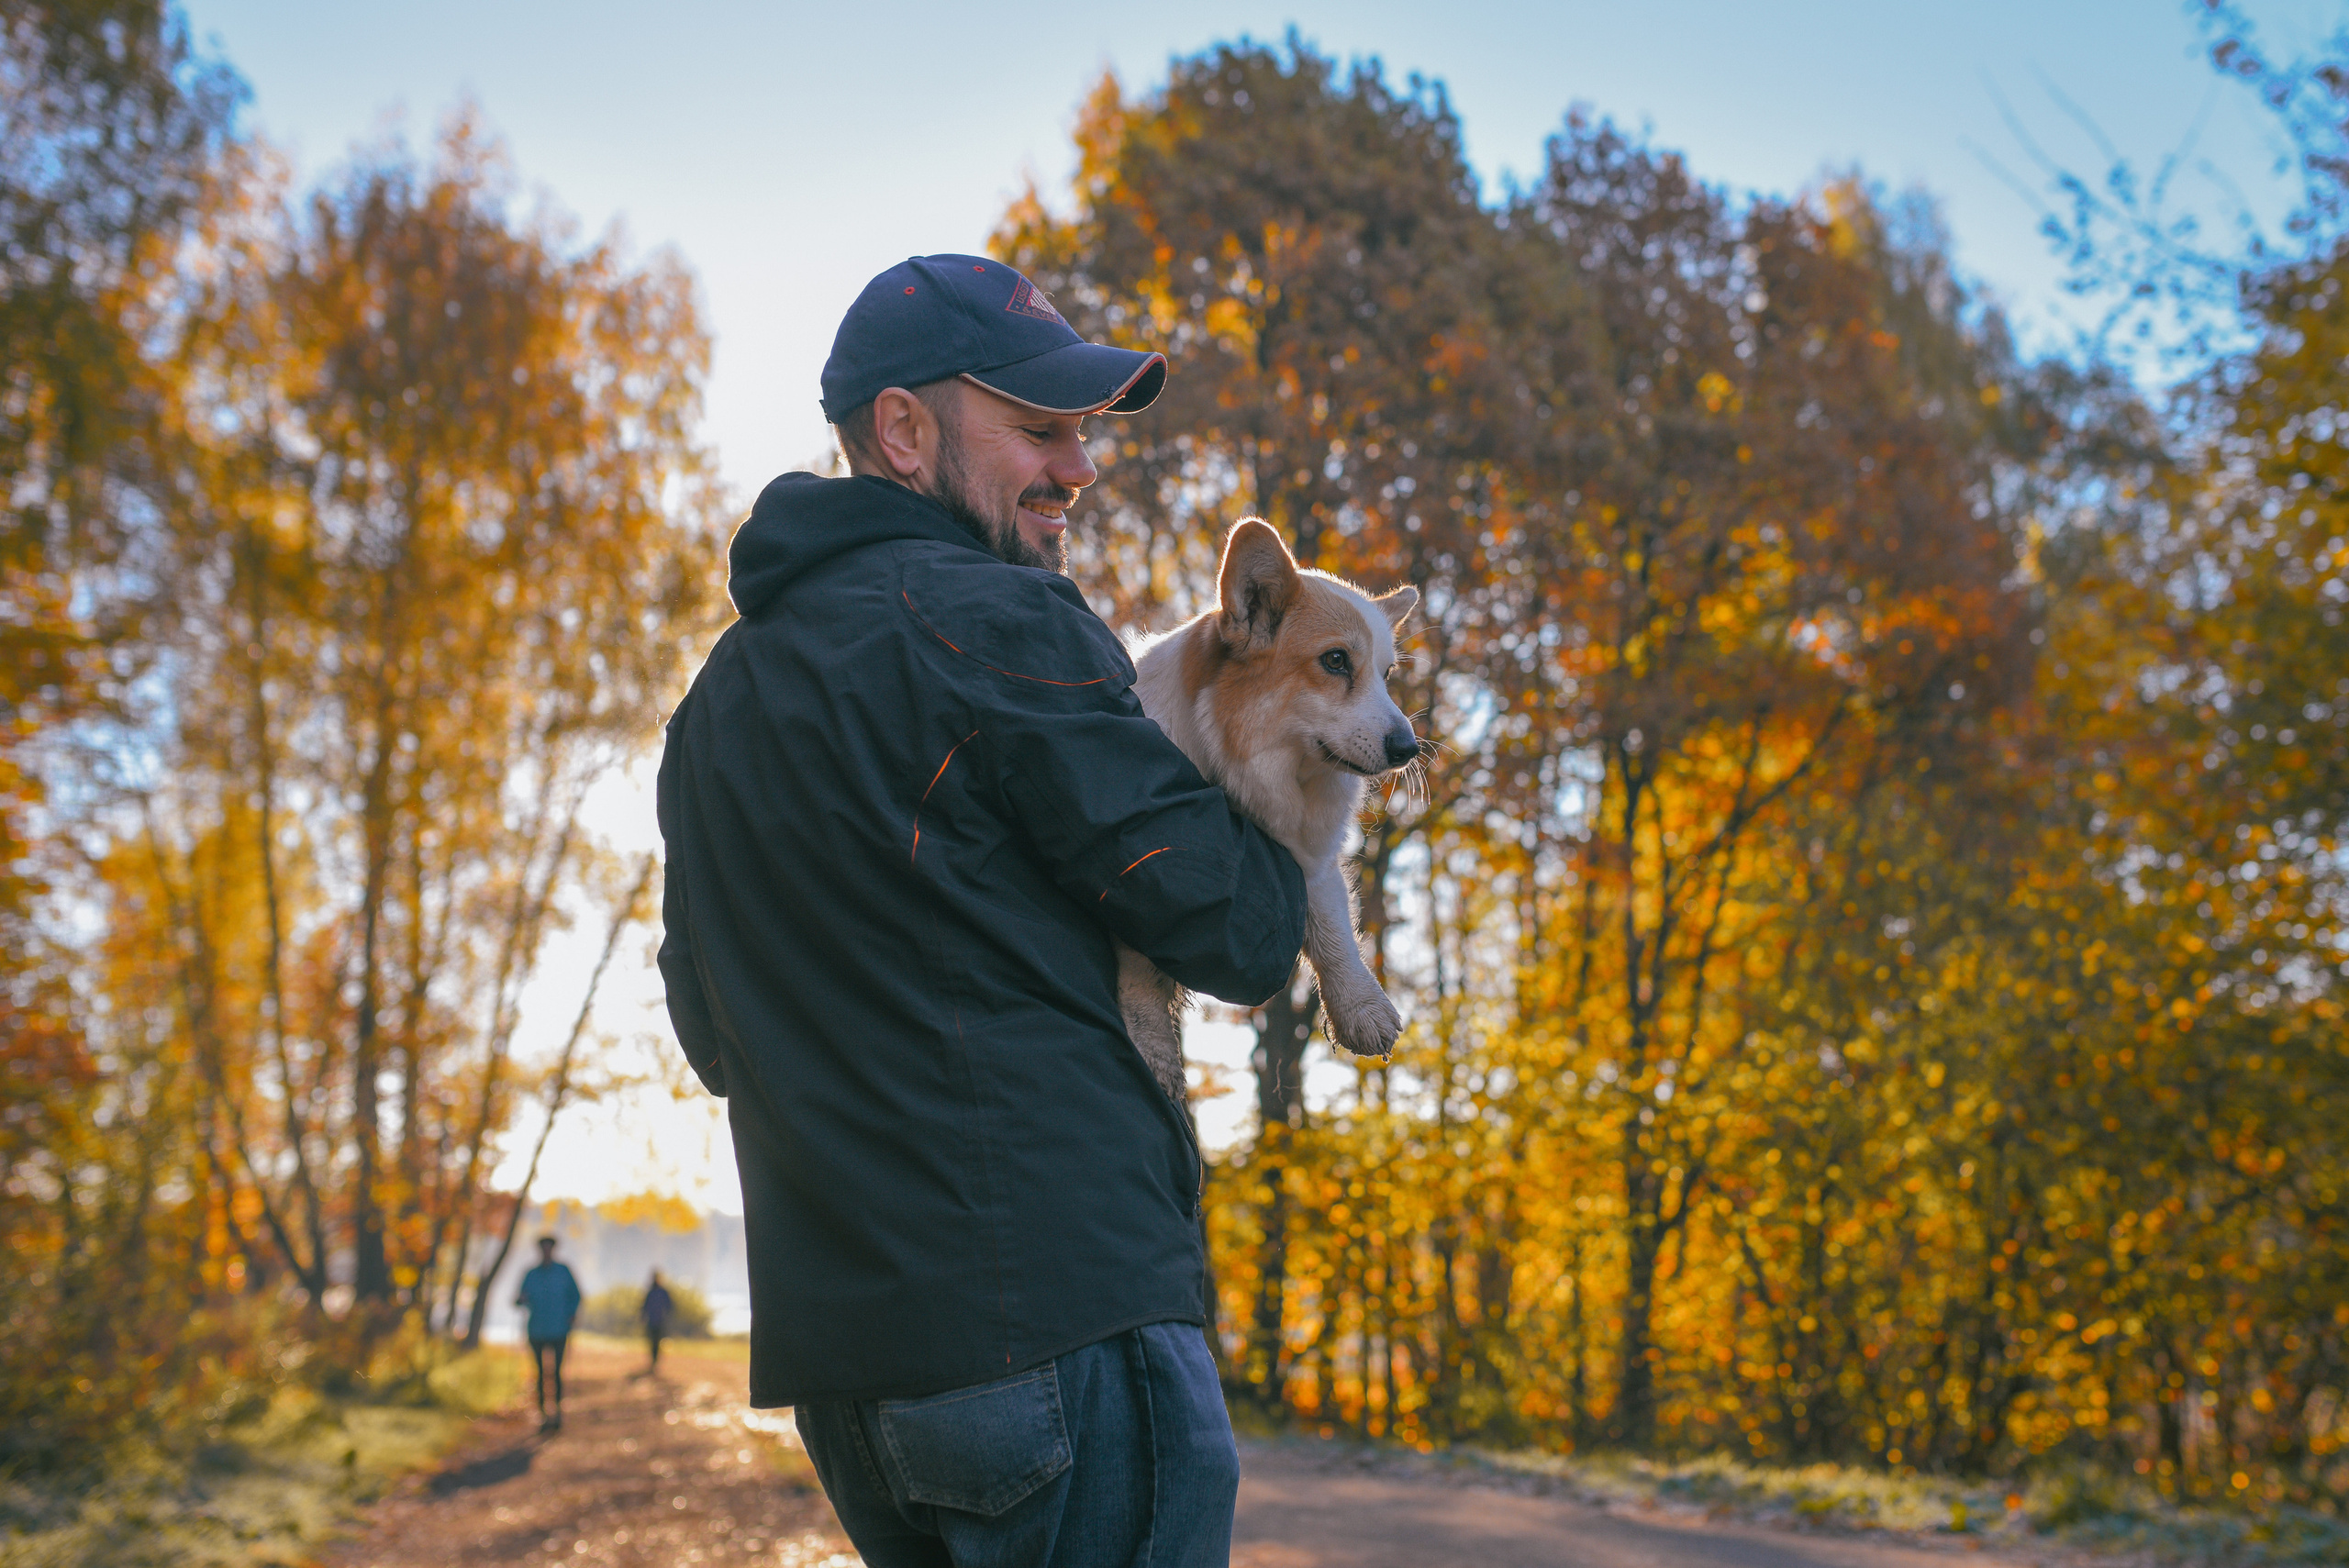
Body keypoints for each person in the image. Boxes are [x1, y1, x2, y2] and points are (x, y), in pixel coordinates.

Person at [656, 254, 1308, 1567]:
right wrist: (1292, 747)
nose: (1079, 466)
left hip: (859, 1379)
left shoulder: (712, 710)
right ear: (904, 432)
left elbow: (709, 1033)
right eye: (1038, 427)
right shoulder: (996, 618)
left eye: (1083, 431)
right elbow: (1236, 928)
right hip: (1063, 1326)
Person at [514, 1234, 582, 1433]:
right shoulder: (531, 1274)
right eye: (542, 1248)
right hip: (536, 1330)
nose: (546, 1251)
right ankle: (543, 1414)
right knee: (540, 1373)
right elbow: (520, 1299)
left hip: (559, 1329)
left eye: (548, 1248)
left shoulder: (563, 1272)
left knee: (557, 1373)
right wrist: (520, 1300)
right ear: (539, 1250)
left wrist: (571, 1314)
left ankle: (558, 1412)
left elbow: (576, 1296)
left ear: (553, 1249)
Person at [640, 1268, 674, 1374]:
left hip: (659, 1321)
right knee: (653, 1342)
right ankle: (654, 1361)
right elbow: (645, 1306)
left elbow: (669, 1306)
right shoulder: (653, 1292)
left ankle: (655, 1361)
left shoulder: (658, 1291)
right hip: (654, 1321)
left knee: (657, 1342)